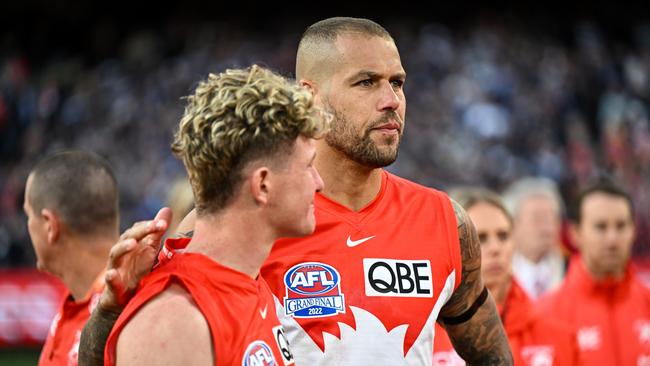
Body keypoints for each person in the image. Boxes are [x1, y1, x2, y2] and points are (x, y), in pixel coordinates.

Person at [79, 17, 512, 366]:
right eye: (366, 82)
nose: (391, 100)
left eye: (397, 83)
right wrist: (109, 310)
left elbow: (489, 351)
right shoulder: (245, 220)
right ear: (310, 95)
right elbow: (130, 344)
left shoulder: (444, 222)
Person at [103, 65, 327, 365]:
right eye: (308, 166)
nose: (319, 183)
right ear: (262, 184)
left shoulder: (245, 281)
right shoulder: (173, 323)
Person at [432, 187, 579, 365]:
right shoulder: (425, 335)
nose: (496, 248)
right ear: (451, 245)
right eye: (481, 237)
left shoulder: (559, 333)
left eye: (503, 236)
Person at [537, 180, 650, 365]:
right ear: (575, 233)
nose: (612, 239)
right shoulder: (545, 315)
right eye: (601, 227)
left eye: (621, 226)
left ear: (634, 230)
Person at [24, 150, 120, 366]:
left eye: (28, 215)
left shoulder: (124, 315)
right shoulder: (74, 304)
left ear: (50, 226)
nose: (27, 226)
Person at [502, 176, 567, 299]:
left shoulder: (571, 270)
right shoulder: (498, 273)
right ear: (513, 225)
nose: (547, 228)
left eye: (552, 218)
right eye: (538, 219)